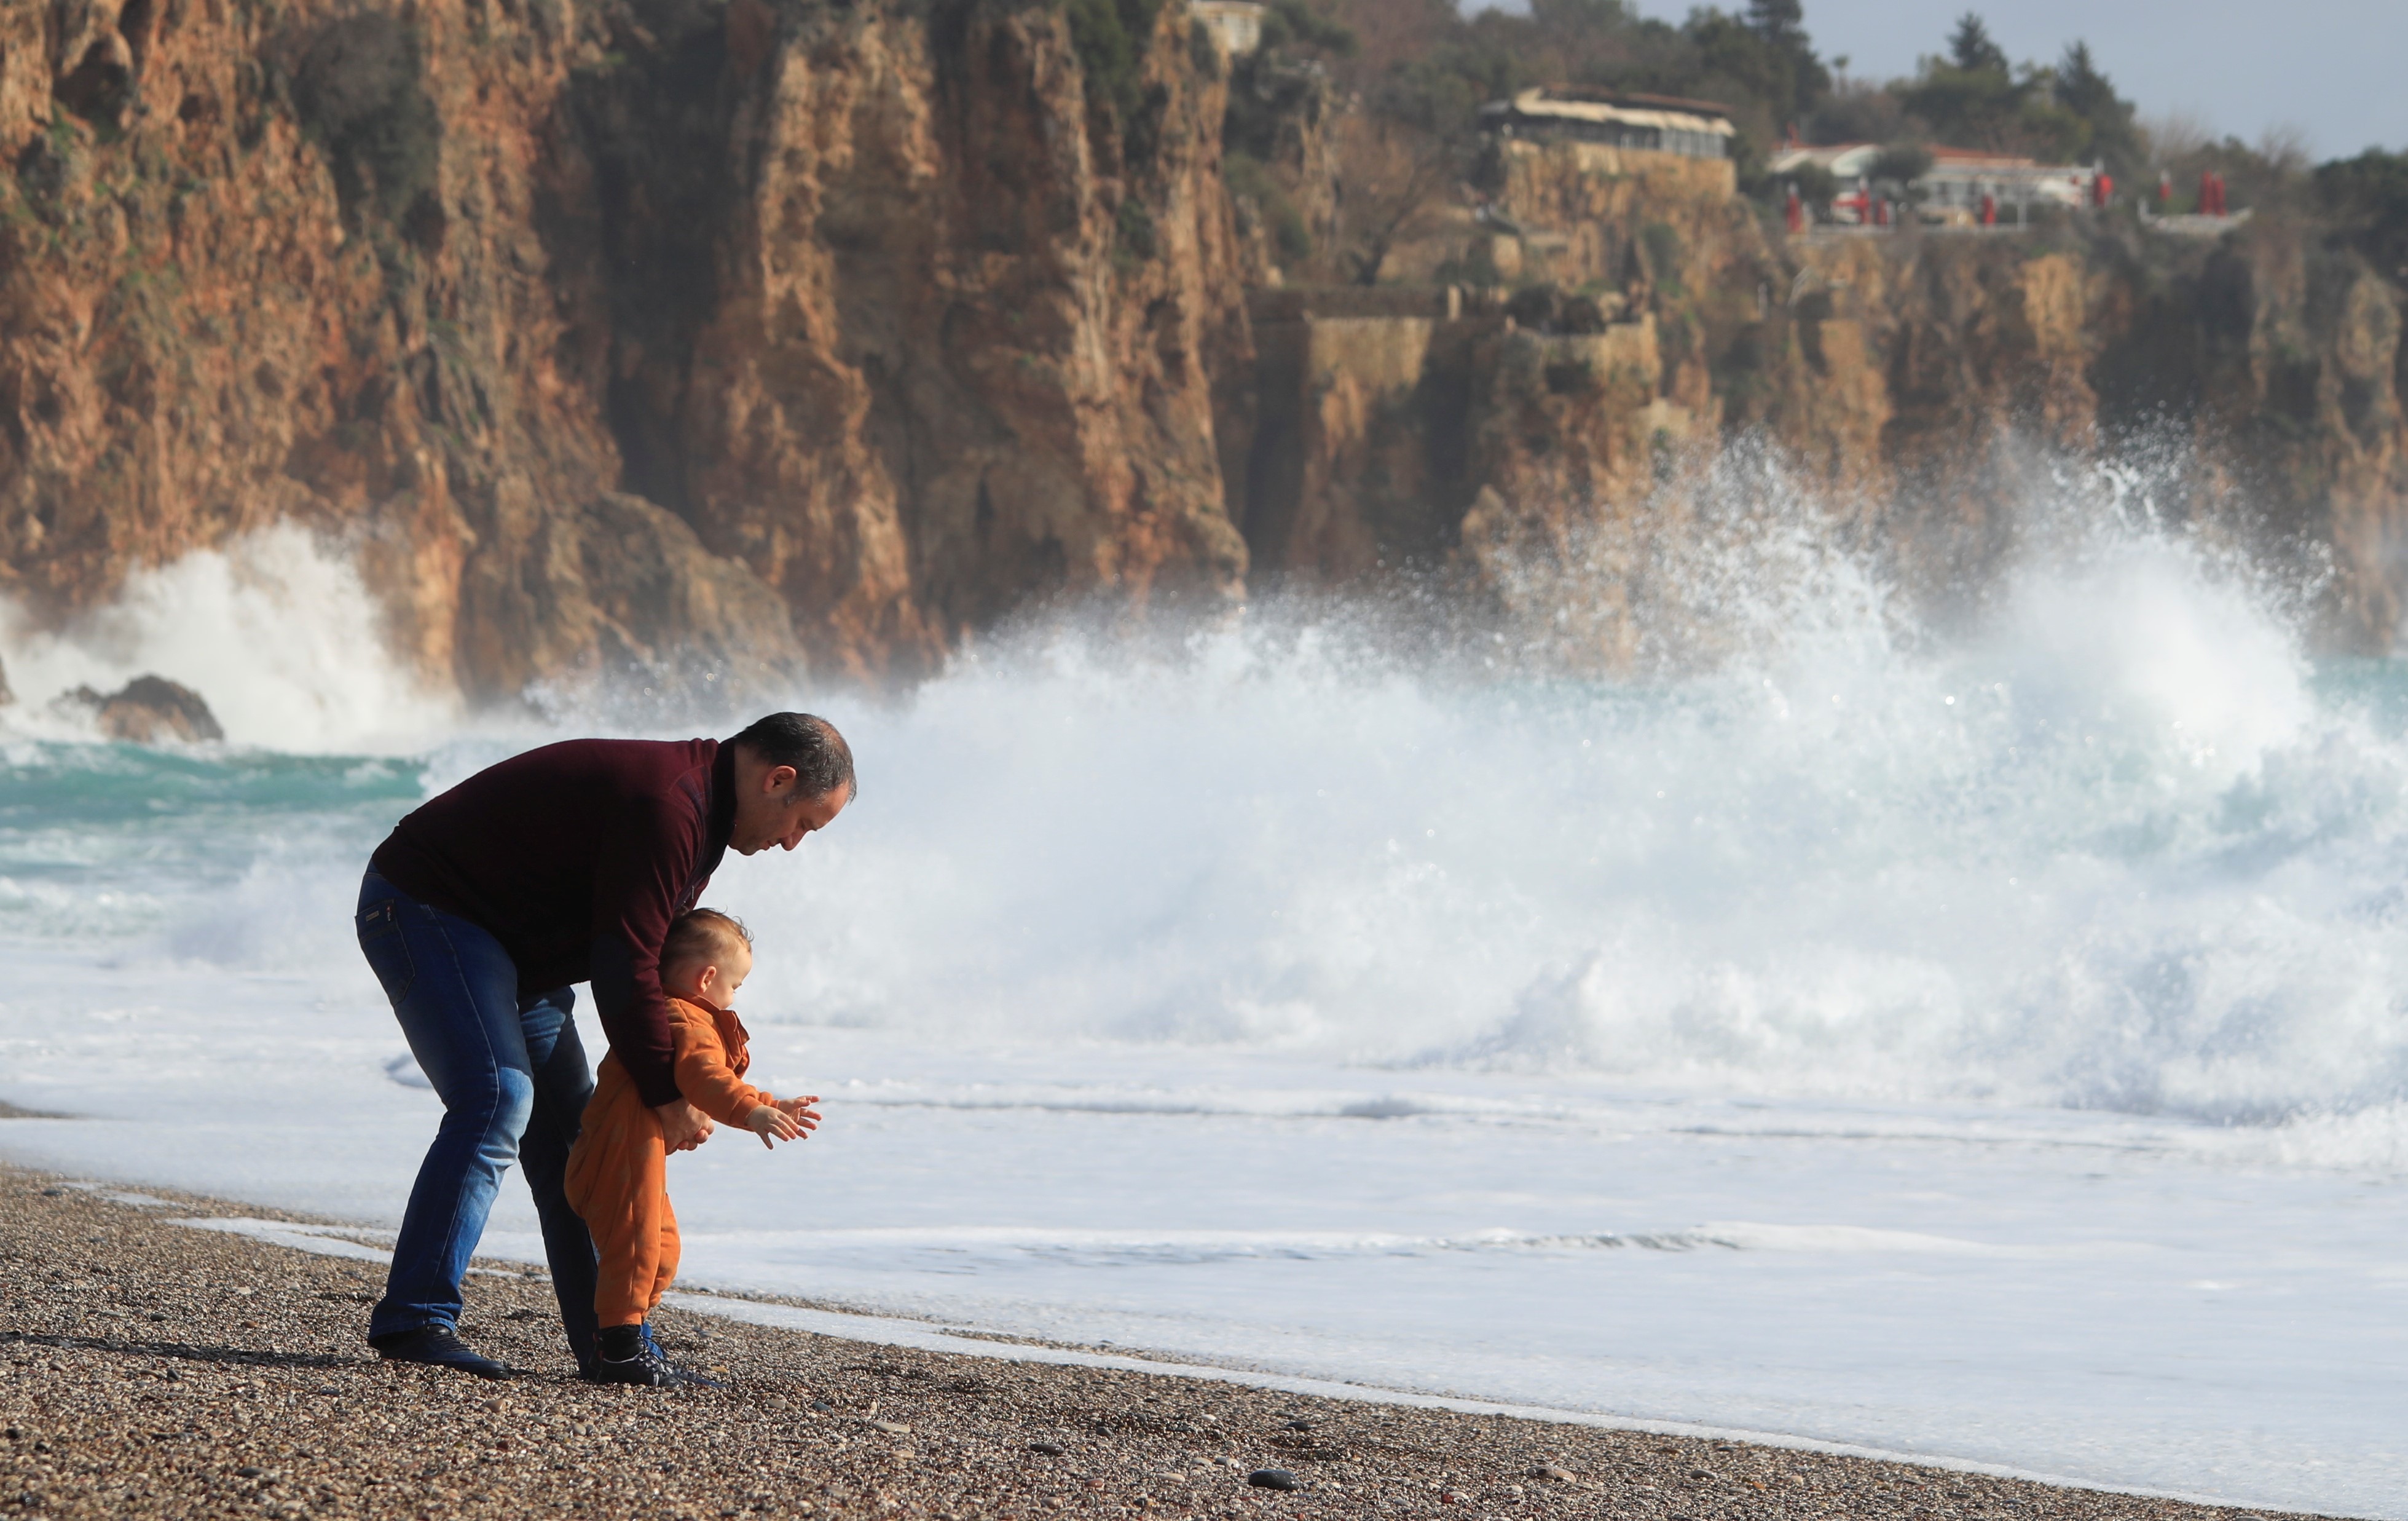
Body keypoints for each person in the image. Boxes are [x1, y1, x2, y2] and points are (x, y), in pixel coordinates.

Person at [355, 712, 854, 1378]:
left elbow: (655, 971)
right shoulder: (670, 807)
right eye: (805, 824)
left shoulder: (702, 818)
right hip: (428, 905)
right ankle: (415, 1317)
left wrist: (693, 1075)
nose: (793, 844)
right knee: (497, 1098)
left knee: (578, 1140)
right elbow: (624, 963)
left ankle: (612, 1341)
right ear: (778, 779)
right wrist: (667, 1092)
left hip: (514, 953)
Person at [565, 909, 819, 1385]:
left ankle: (626, 1337)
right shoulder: (687, 1019)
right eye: (735, 986)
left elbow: (710, 1079)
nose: (735, 996)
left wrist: (767, 1103)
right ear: (707, 978)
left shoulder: (677, 1016)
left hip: (631, 1156)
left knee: (661, 1250)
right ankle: (620, 1349)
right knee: (636, 1248)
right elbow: (704, 1077)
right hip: (618, 1157)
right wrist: (751, 1112)